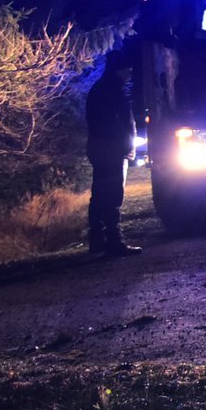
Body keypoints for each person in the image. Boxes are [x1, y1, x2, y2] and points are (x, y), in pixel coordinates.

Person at [85, 47, 143, 256]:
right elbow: (115, 122)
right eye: (128, 70)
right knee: (112, 193)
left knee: (100, 193)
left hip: (100, 148)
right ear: (120, 70)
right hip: (112, 149)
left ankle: (97, 240)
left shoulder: (101, 88)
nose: (130, 74)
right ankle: (113, 240)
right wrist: (127, 144)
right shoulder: (113, 90)